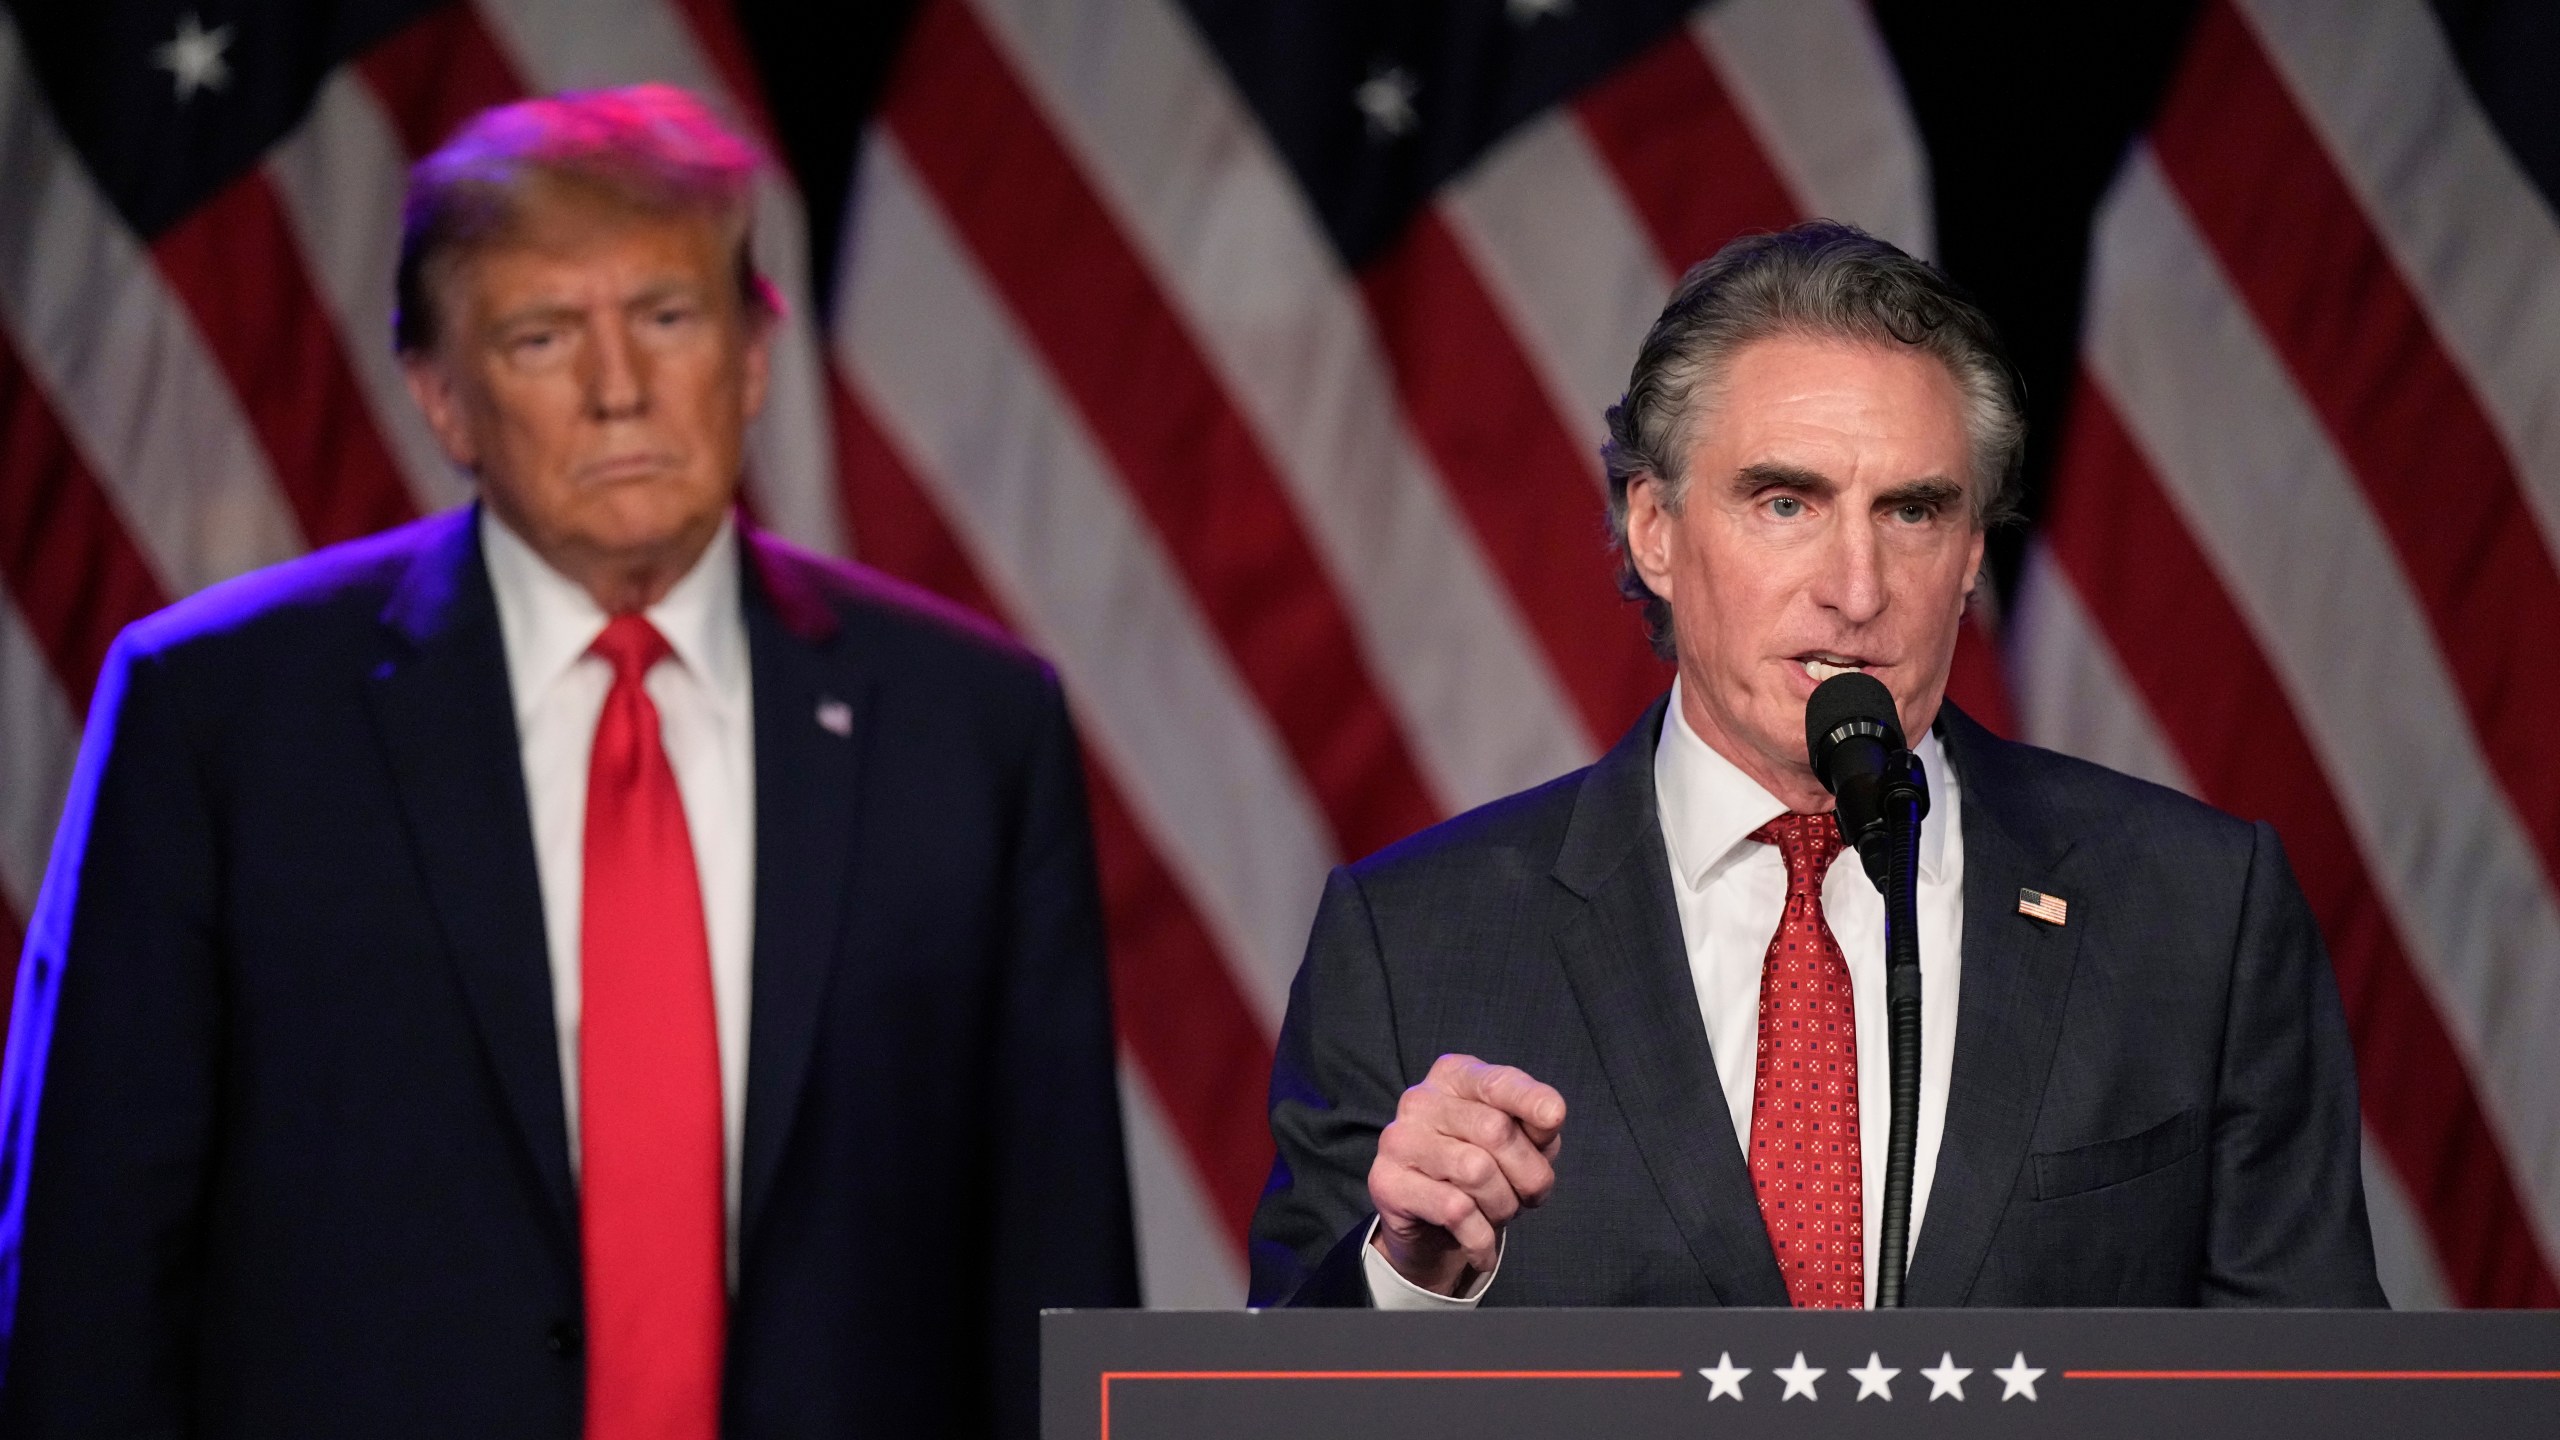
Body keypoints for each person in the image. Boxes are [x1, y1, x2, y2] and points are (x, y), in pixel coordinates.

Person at [0, 85, 1134, 1436]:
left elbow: (1056, 1271)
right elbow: (90, 1282)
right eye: (542, 337)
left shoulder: (972, 729)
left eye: (667, 318)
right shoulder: (221, 721)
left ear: (755, 355)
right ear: (441, 397)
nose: (618, 389)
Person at [1248, 221, 2383, 1311]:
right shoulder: (1412, 942)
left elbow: (2317, 1390)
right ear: (1654, 529)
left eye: (1913, 511)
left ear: (1972, 551)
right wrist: (1406, 1277)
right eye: (1786, 501)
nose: (1856, 587)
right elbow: (1265, 1409)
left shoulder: (2195, 911)